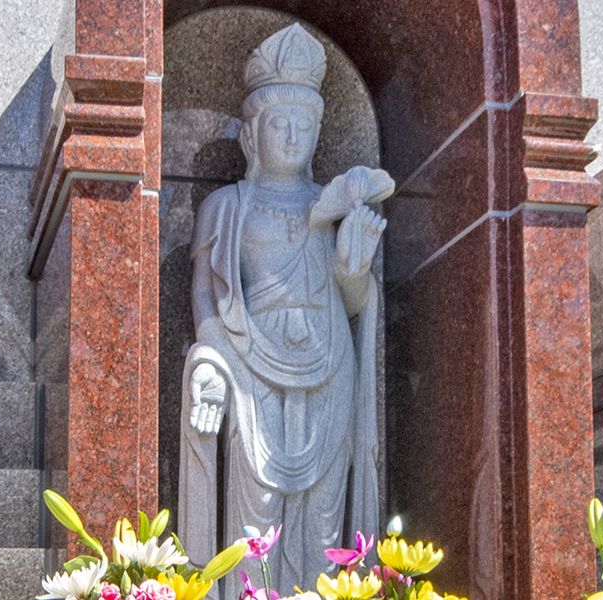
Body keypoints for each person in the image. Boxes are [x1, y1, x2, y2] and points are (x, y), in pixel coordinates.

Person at [178, 23, 386, 599]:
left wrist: (353, 268)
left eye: (304, 124)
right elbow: (206, 298)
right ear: (252, 135)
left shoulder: (332, 207)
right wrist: (210, 364)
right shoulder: (226, 207)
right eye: (279, 123)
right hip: (250, 370)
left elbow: (352, 303)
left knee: (323, 524)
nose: (292, 136)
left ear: (318, 132)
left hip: (329, 366)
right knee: (256, 518)